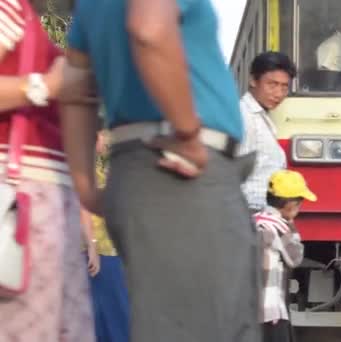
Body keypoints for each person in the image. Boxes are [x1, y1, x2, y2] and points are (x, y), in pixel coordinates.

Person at [61, 0, 260, 341]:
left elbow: (76, 89)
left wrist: (85, 185)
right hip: (179, 171)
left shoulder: (90, 8)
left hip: (141, 170)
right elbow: (149, 28)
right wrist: (188, 133)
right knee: (208, 328)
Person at [0, 0, 95, 340]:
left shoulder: (34, 20)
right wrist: (45, 86)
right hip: (21, 202)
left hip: (41, 204)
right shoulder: (10, 8)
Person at [254, 169, 317, 342]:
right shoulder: (279, 228)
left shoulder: (253, 221)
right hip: (269, 311)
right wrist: (291, 226)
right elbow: (295, 257)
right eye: (300, 202)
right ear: (290, 204)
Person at [80, 131, 129, 342]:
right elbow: (83, 203)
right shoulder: (85, 159)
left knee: (117, 319)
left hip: (115, 249)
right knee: (111, 321)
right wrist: (91, 244)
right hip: (99, 251)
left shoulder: (107, 161)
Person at [239, 51, 296, 212]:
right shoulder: (244, 117)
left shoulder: (261, 118)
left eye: (284, 87)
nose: (279, 94)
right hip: (250, 211)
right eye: (272, 85)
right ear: (253, 80)